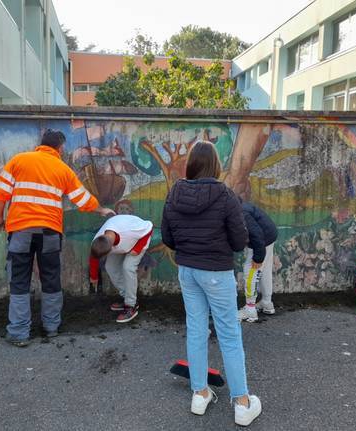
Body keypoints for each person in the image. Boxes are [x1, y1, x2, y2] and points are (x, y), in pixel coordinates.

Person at [161, 141, 262, 427]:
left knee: (196, 330)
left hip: (188, 271)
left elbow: (167, 236)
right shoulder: (225, 196)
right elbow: (240, 240)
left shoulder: (174, 193)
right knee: (229, 334)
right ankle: (242, 403)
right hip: (216, 272)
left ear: (191, 164)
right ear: (216, 165)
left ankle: (200, 394)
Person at [0, 129, 114, 347]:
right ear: (60, 148)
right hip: (50, 231)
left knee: (19, 279)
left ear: (41, 144)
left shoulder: (19, 161)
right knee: (50, 278)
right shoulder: (62, 169)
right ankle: (51, 327)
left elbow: (1, 193)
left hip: (20, 230)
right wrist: (102, 210)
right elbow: (82, 199)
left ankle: (19, 333)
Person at [89, 214, 153, 323]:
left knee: (127, 267)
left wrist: (137, 249)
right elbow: (93, 257)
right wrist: (93, 277)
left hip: (137, 241)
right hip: (122, 242)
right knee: (110, 267)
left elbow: (149, 227)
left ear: (111, 249)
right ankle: (126, 297)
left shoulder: (129, 231)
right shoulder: (99, 239)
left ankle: (131, 306)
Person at [237, 202, 278, 323]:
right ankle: (266, 302)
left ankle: (250, 310)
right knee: (265, 271)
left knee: (250, 271)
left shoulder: (241, 213)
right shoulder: (241, 207)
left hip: (261, 241)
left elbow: (257, 235)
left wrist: (258, 258)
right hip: (269, 236)